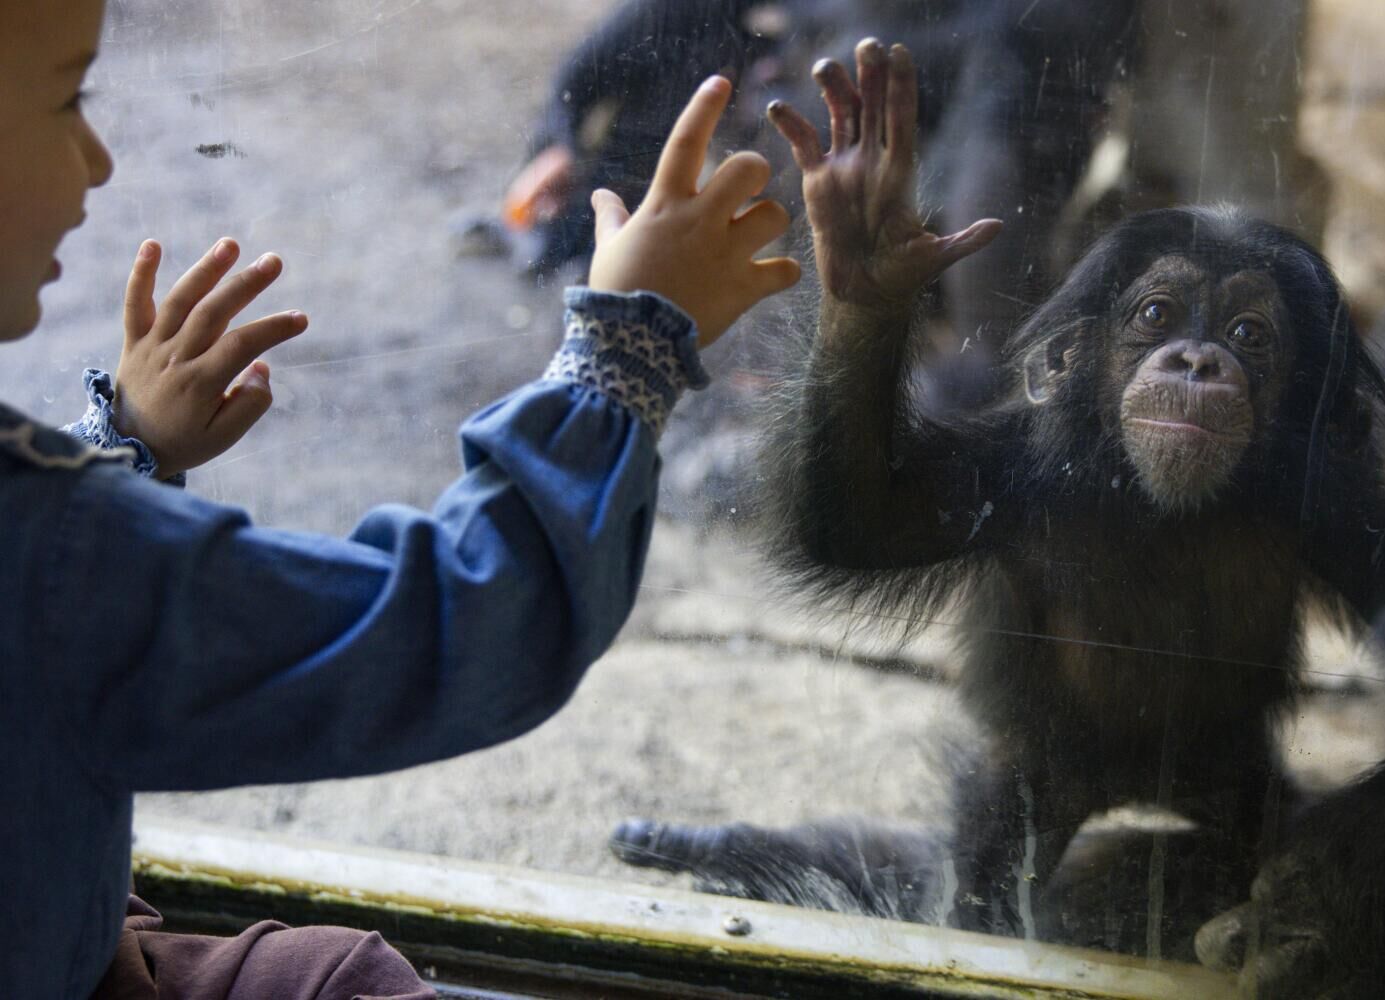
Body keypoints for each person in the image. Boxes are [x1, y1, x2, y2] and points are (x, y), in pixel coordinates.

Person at [0, 2, 802, 996]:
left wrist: (117, 457)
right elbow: (456, 621)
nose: (102, 157)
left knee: (328, 968)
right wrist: (628, 347)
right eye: (69, 97)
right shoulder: (43, 557)